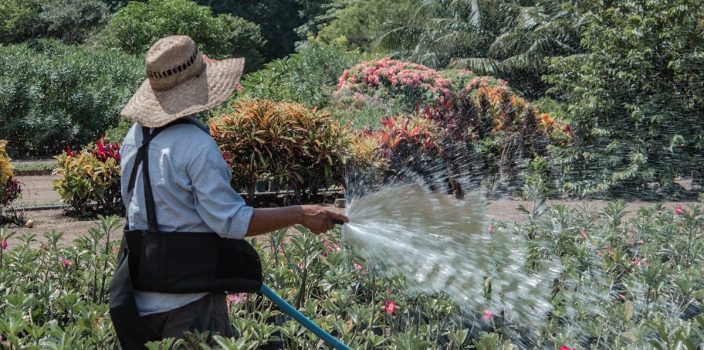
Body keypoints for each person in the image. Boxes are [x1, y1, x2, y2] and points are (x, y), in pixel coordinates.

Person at [110, 35, 348, 346]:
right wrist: (302, 213)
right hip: (190, 305)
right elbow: (231, 222)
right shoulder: (195, 145)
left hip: (139, 303)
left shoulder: (134, 137)